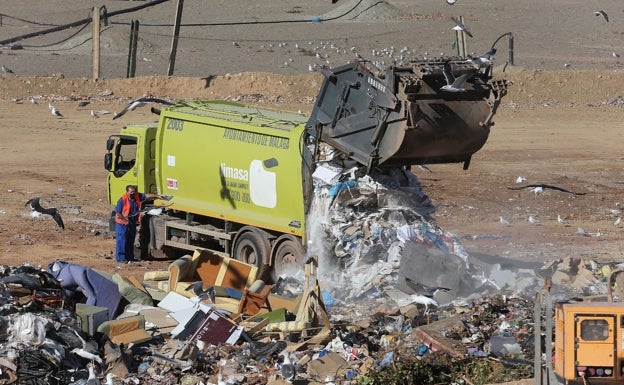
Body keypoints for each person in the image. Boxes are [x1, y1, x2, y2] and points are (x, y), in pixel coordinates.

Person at [114, 185, 163, 263]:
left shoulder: (137, 196)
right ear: (127, 192)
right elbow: (118, 212)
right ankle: (121, 258)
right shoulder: (122, 200)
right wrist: (125, 220)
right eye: (131, 192)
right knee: (122, 240)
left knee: (130, 240)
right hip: (122, 224)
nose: (133, 194)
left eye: (134, 192)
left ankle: (129, 257)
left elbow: (147, 196)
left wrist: (157, 196)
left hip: (131, 222)